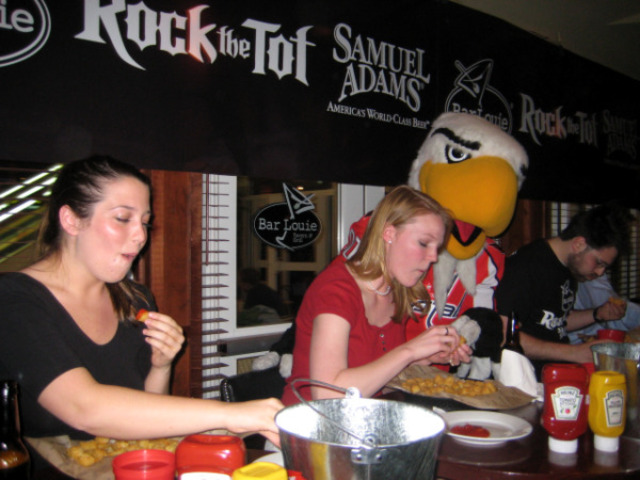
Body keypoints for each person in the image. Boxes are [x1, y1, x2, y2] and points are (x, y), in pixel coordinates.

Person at [0, 155, 282, 445]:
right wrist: (231, 414)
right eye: (123, 218)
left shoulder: (135, 300)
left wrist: (161, 366)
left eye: (145, 223)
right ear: (71, 220)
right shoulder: (13, 300)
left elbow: (148, 418)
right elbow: (83, 408)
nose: (139, 236)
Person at [281, 185, 472, 405]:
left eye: (436, 247)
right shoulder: (336, 289)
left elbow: (376, 382)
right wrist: (409, 351)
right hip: (308, 421)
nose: (433, 257)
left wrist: (422, 359)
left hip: (363, 419)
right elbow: (328, 396)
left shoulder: (395, 292)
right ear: (389, 233)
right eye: (423, 243)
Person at [495, 202, 633, 379]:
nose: (600, 272)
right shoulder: (526, 266)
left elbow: (556, 321)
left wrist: (598, 314)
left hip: (558, 374)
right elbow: (504, 334)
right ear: (579, 244)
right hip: (526, 380)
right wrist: (574, 352)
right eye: (599, 263)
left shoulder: (568, 268)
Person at [568, 273, 640, 344]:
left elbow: (612, 306)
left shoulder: (594, 275)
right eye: (599, 265)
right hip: (575, 344)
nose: (600, 271)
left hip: (604, 337)